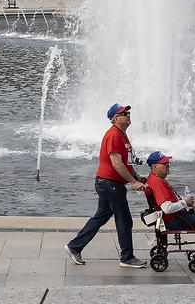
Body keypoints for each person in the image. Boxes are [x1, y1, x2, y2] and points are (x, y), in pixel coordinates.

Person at [65, 103, 147, 268]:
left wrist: (137, 176)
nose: (128, 115)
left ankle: (75, 247)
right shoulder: (114, 136)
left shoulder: (122, 134)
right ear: (115, 119)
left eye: (128, 112)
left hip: (109, 184)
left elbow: (125, 162)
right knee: (124, 220)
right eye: (124, 113)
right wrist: (132, 182)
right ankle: (127, 257)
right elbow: (116, 163)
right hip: (110, 184)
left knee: (100, 217)